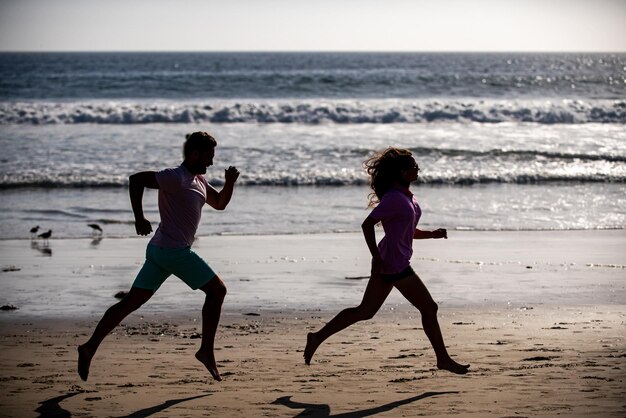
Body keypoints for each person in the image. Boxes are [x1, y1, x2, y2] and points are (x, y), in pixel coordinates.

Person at [78, 131, 239, 382]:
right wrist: (139, 217)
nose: (211, 162)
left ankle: (89, 347)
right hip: (173, 251)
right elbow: (136, 179)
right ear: (195, 154)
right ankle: (206, 351)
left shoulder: (198, 180)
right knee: (217, 291)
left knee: (130, 302)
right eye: (208, 156)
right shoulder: (176, 176)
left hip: (160, 250)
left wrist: (230, 182)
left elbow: (219, 203)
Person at [304, 147, 469, 375]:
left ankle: (316, 337)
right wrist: (376, 257)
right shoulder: (393, 198)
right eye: (412, 166)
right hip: (393, 263)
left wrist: (432, 234)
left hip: (392, 260)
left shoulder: (407, 198)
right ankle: (443, 359)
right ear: (401, 172)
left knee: (365, 311)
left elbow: (405, 230)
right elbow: (367, 225)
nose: (417, 169)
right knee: (429, 307)